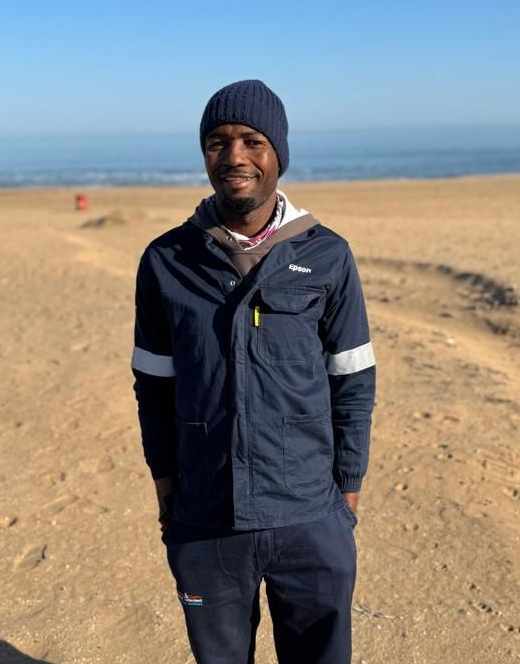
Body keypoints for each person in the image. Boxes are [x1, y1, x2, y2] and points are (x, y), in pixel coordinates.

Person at [131, 79, 376, 664]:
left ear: (277, 154)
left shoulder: (326, 254)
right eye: (217, 142)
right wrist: (166, 485)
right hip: (205, 516)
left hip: (309, 514)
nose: (234, 156)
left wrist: (346, 493)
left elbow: (352, 379)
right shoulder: (166, 259)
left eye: (252, 141)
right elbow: (153, 385)